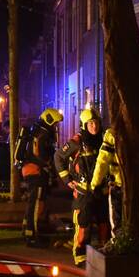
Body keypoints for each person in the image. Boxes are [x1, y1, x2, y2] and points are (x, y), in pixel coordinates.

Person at [54, 106, 104, 265]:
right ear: (84, 125)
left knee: (104, 224)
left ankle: (102, 255)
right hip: (83, 193)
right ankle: (80, 257)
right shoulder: (77, 142)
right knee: (83, 225)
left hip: (101, 191)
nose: (94, 127)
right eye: (90, 124)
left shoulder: (102, 140)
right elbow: (58, 157)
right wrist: (67, 180)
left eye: (96, 123)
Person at [15, 108, 63, 247]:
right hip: (35, 172)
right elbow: (41, 157)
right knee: (35, 204)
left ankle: (27, 230)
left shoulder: (38, 131)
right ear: (49, 120)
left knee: (35, 203)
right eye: (54, 123)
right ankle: (31, 236)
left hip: (33, 171)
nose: (55, 127)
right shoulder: (41, 134)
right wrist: (49, 168)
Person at [91, 127, 122, 236]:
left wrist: (95, 184)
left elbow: (102, 162)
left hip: (118, 184)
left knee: (117, 220)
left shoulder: (112, 133)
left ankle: (118, 244)